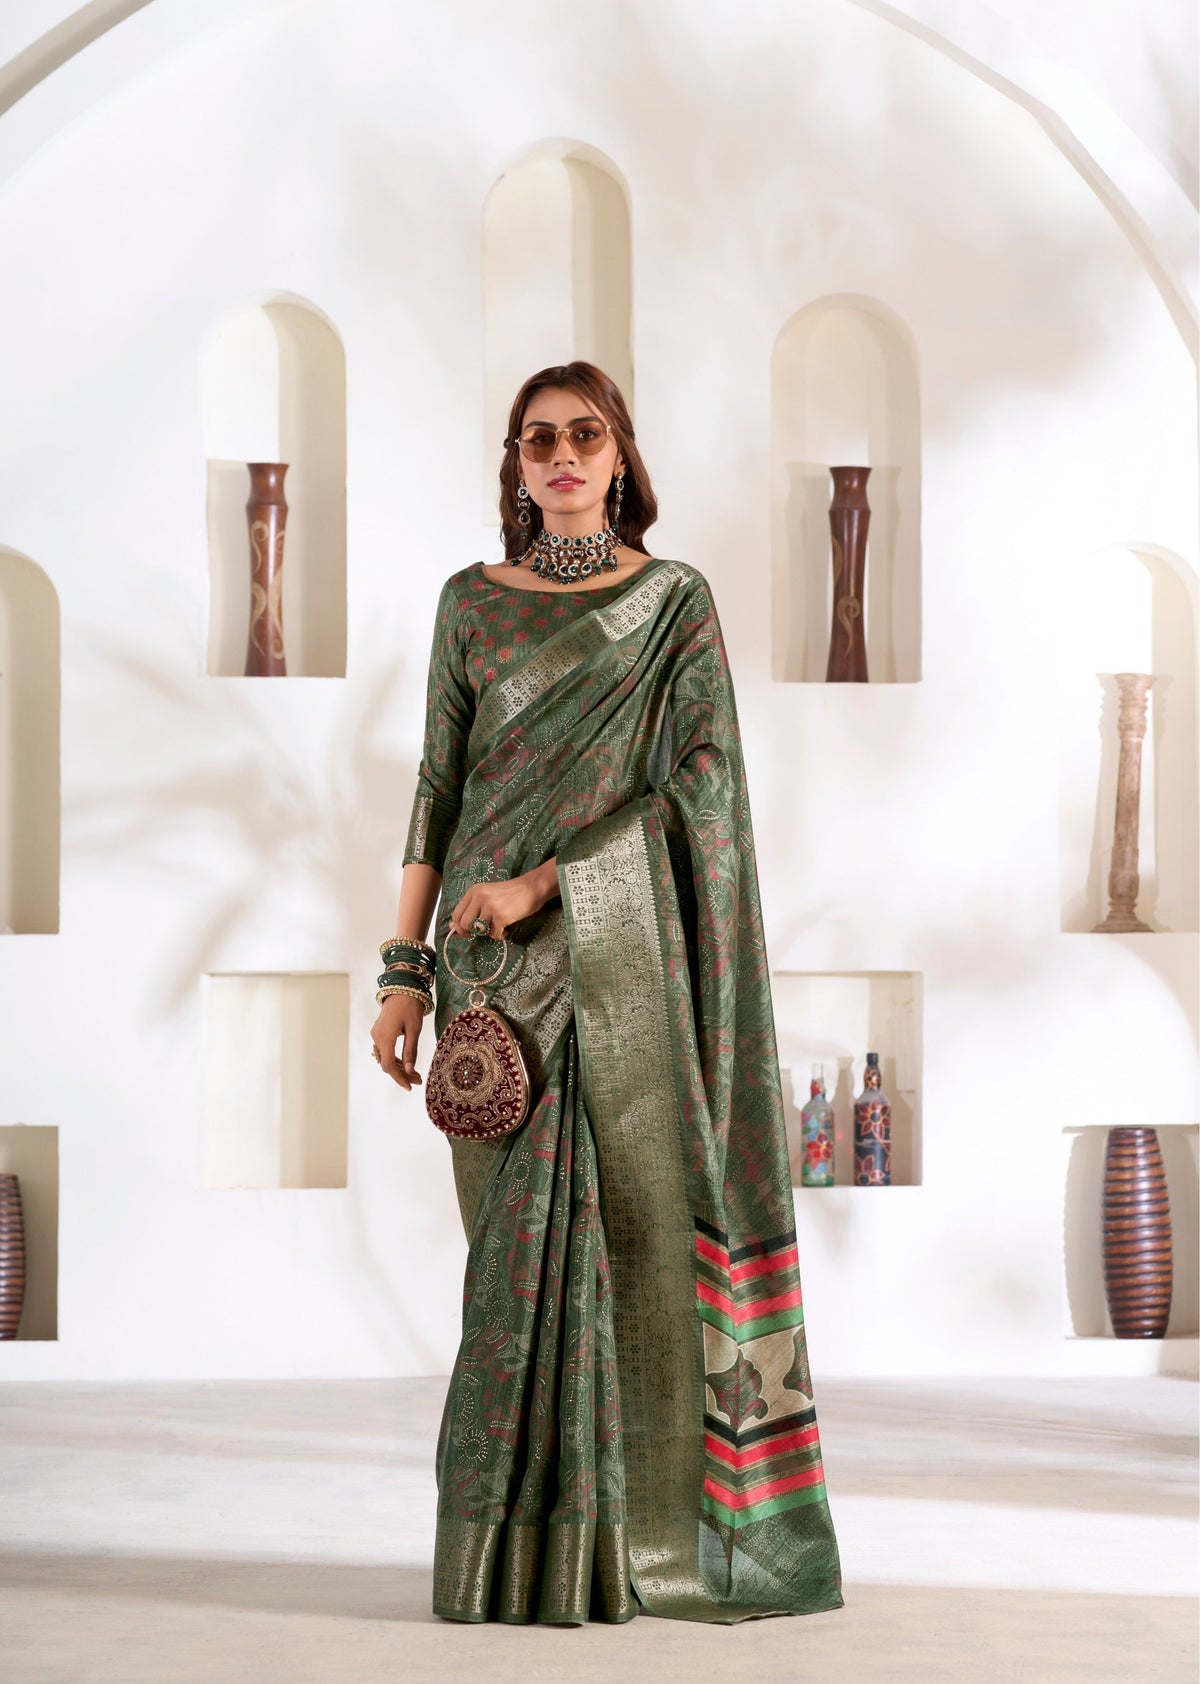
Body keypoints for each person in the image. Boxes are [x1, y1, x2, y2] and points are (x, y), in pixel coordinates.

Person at [370, 361, 844, 1626]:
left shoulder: (674, 603)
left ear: (623, 457)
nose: (564, 457)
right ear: (516, 468)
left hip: (615, 961)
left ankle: (630, 1550)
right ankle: (511, 1558)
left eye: (587, 436)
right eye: (540, 442)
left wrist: (548, 885)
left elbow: (706, 789)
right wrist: (402, 972)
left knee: (626, 1245)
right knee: (509, 1273)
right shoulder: (470, 604)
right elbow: (434, 784)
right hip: (487, 986)